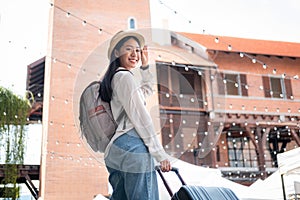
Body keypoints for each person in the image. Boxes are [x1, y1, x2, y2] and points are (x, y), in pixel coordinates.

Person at [100, 30, 171, 200]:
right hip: (131, 145)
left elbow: (145, 91)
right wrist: (159, 155)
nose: (135, 54)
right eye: (129, 49)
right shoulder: (124, 77)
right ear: (116, 53)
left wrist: (145, 67)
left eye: (138, 50)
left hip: (115, 150)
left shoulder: (115, 78)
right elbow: (141, 118)